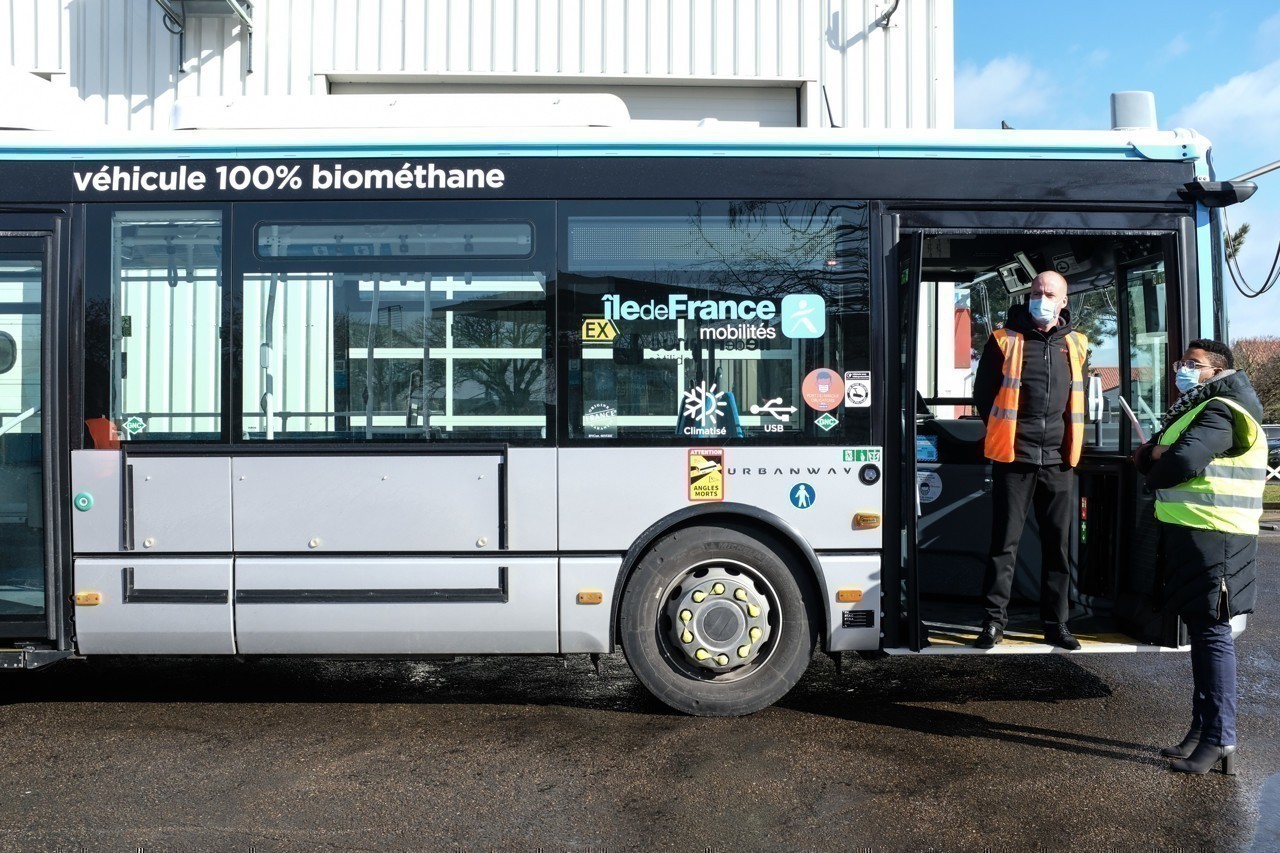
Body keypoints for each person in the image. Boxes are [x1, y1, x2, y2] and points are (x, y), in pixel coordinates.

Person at [1132, 339, 1264, 775]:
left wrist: (1157, 458)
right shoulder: (1196, 408)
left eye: (1195, 364)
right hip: (1194, 533)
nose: (1183, 369)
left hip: (1217, 536)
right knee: (1201, 633)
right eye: (1182, 362)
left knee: (1213, 635)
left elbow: (1183, 458)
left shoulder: (1223, 409)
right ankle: (1200, 729)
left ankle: (1220, 738)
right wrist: (1154, 453)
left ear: (1218, 371)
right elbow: (1148, 452)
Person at [972, 270, 1088, 650]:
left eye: (1049, 293)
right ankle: (993, 623)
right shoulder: (1004, 340)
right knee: (1004, 545)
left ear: (1063, 301)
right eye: (1036, 291)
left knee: (1059, 548)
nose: (1041, 297)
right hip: (1014, 457)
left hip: (1058, 461)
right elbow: (984, 397)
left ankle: (1056, 624)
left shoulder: (1077, 345)